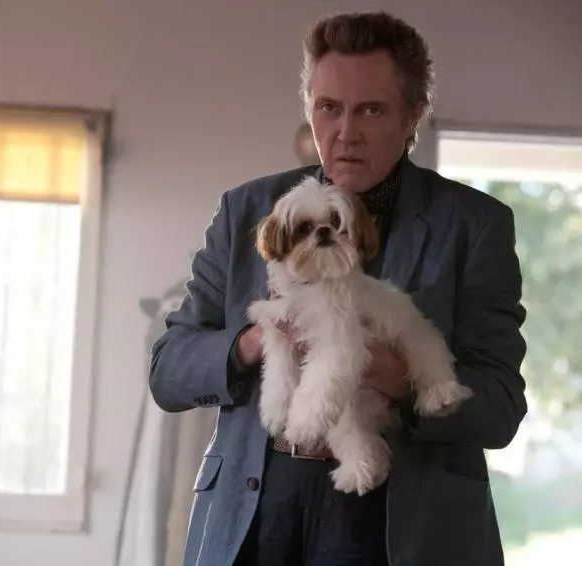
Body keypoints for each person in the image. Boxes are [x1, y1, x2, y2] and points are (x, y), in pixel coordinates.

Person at [149, 11, 527, 566]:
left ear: (413, 114)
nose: (346, 132)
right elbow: (168, 371)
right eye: (329, 107)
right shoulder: (247, 211)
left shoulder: (474, 224)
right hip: (255, 511)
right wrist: (255, 342)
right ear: (309, 107)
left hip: (401, 522)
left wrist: (399, 377)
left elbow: (500, 407)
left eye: (371, 110)